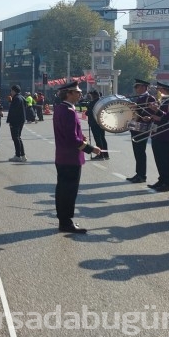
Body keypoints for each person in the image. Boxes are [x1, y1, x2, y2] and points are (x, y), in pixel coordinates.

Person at [53, 81, 101, 234]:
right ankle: (66, 222)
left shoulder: (61, 108)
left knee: (62, 189)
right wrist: (90, 148)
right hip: (71, 157)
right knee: (69, 191)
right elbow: (72, 139)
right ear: (69, 93)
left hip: (62, 156)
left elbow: (70, 133)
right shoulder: (68, 111)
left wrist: (81, 136)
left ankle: (63, 220)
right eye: (77, 92)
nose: (80, 94)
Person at [127, 79, 156, 183]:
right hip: (135, 127)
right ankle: (138, 173)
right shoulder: (139, 98)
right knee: (137, 152)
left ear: (143, 87)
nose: (136, 89)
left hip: (142, 128)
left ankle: (142, 175)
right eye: (135, 87)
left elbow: (152, 112)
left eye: (137, 87)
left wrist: (138, 110)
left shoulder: (149, 98)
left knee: (140, 152)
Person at [86, 90, 109, 160]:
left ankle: (100, 154)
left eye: (91, 95)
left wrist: (87, 111)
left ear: (93, 95)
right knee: (102, 138)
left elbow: (89, 113)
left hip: (94, 123)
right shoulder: (102, 102)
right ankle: (105, 154)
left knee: (98, 139)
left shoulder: (93, 103)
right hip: (101, 122)